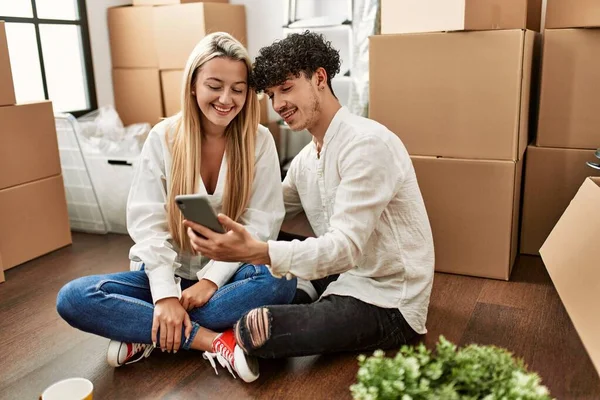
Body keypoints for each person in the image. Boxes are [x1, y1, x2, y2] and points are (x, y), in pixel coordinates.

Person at [184, 31, 435, 376]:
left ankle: (178, 327)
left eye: (286, 89)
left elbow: (345, 249)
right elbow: (268, 212)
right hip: (343, 275)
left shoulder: (366, 145)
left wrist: (254, 252)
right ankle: (297, 292)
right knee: (269, 238)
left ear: (319, 78)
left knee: (256, 328)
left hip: (388, 300)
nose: (278, 105)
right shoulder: (306, 159)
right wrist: (216, 225)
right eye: (271, 95)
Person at [56, 32, 297, 383]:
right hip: (165, 273)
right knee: (74, 298)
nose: (226, 99)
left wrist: (211, 282)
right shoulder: (164, 137)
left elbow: (260, 227)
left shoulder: (259, 141)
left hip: (228, 276)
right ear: (193, 86)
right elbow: (147, 223)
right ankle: (211, 339)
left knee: (282, 279)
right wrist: (165, 296)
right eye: (215, 85)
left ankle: (147, 331)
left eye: (238, 89)